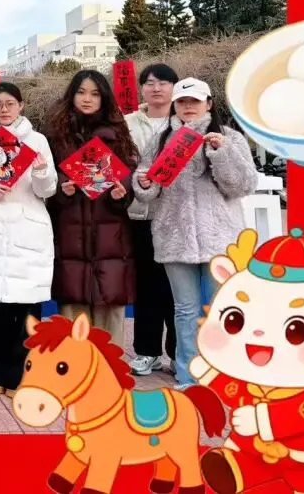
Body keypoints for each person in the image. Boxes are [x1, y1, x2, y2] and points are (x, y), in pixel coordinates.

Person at [132, 78, 257, 390]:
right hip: (175, 236)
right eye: (182, 101)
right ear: (174, 105)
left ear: (208, 104)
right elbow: (146, 183)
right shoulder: (161, 139)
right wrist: (143, 184)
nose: (188, 107)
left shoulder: (229, 137)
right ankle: (188, 375)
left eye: (195, 101)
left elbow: (243, 185)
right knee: (184, 310)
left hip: (220, 239)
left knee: (221, 308)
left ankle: (222, 371)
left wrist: (221, 153)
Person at [0, 82, 56, 397]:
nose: (4, 109)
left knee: (27, 307)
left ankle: (20, 374)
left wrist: (42, 171)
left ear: (21, 106)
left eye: (10, 103)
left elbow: (47, 190)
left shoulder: (37, 140)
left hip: (27, 229)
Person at [45, 69, 138, 349]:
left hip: (110, 236)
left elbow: (129, 172)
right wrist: (61, 188)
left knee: (109, 308)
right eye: (81, 92)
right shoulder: (55, 135)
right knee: (72, 310)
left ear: (104, 98)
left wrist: (122, 193)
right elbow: (43, 178)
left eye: (95, 94)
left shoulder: (119, 133)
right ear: (71, 95)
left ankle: (110, 369)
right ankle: (75, 368)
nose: (87, 99)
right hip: (70, 233)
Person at [124, 63, 179, 377]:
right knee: (145, 286)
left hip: (174, 217)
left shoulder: (185, 123)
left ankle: (177, 353)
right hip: (139, 215)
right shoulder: (127, 123)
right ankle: (147, 352)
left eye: (163, 82)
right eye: (149, 83)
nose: (156, 88)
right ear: (142, 88)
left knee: (175, 288)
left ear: (174, 88)